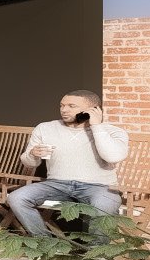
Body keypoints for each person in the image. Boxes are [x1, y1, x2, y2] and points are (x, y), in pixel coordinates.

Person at [7, 90, 130, 236]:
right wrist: (33, 154)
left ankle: (97, 254)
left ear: (93, 109)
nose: (64, 110)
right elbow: (29, 164)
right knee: (17, 197)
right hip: (56, 184)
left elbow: (113, 156)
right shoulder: (45, 128)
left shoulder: (112, 132)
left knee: (105, 205)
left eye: (71, 106)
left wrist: (96, 126)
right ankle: (45, 244)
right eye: (62, 105)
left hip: (99, 187)